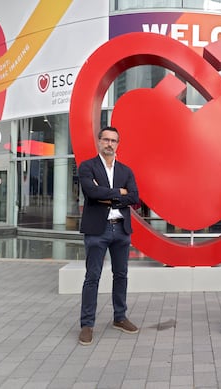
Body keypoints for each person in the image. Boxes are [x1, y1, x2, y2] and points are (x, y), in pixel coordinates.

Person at [78, 126, 139, 345]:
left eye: (113, 141)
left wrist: (108, 195)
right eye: (106, 140)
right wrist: (118, 193)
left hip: (121, 229)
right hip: (97, 230)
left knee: (121, 275)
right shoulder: (87, 167)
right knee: (92, 277)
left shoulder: (126, 171)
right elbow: (91, 193)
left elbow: (134, 197)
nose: (109, 144)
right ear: (99, 141)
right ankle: (87, 324)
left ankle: (120, 317)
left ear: (118, 144)